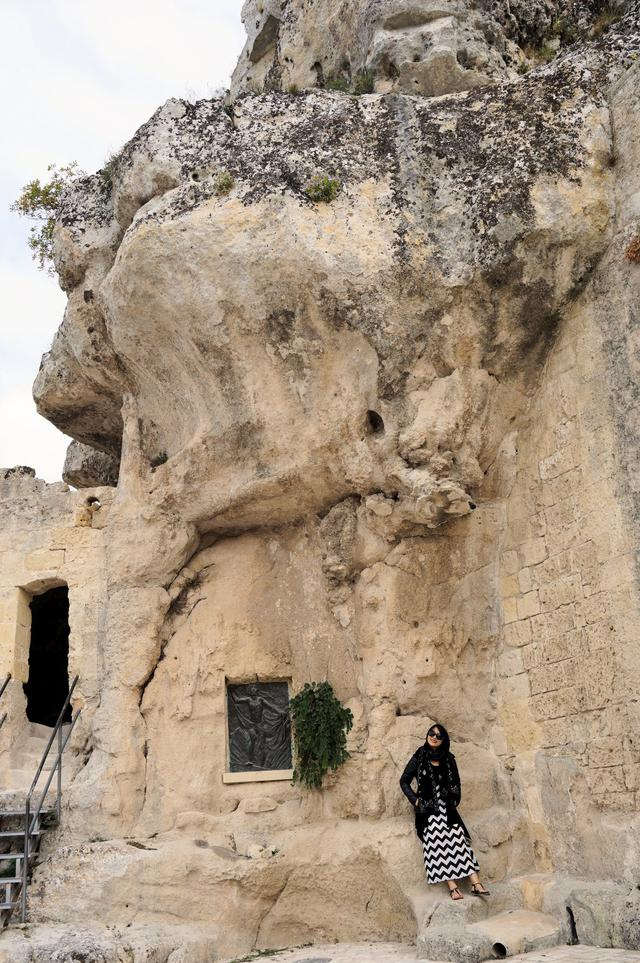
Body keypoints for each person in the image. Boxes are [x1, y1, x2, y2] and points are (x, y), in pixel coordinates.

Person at [400, 722, 489, 900]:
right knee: (436, 842)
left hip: (447, 808)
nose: (434, 737)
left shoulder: (448, 758)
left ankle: (475, 882)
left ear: (443, 740)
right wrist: (416, 800)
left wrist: (453, 799)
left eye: (439, 736)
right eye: (431, 734)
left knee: (458, 840)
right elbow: (404, 780)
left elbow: (456, 782)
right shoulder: (419, 755)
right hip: (427, 810)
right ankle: (453, 886)